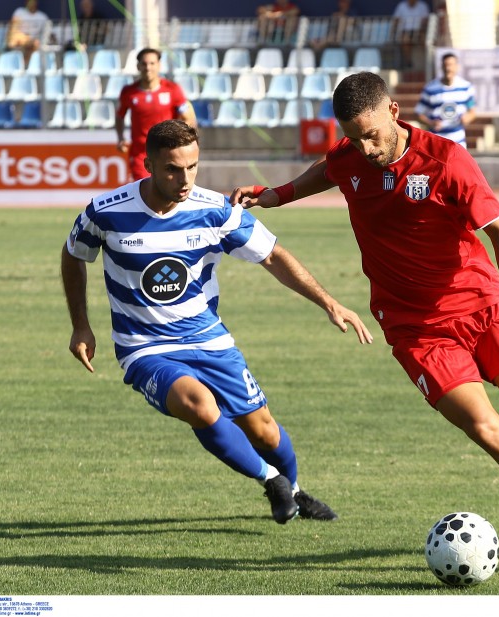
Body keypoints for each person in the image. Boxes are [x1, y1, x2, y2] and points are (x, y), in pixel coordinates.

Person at [230, 72, 499, 567]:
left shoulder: (446, 161)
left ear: (394, 112)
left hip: (480, 305)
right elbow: (328, 170)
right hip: (416, 329)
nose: (365, 147)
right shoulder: (350, 155)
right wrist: (274, 195)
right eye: (354, 137)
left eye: (372, 134)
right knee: (486, 429)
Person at [61, 119, 373, 524]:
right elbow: (74, 255)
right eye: (173, 168)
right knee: (200, 406)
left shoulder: (215, 211)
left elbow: (274, 256)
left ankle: (292, 490)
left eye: (192, 167)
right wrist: (80, 324)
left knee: (264, 430)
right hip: (144, 347)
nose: (184, 178)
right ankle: (271, 479)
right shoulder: (107, 212)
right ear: (149, 164)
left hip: (209, 339)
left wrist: (328, 301)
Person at [115, 48, 197, 182]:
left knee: (170, 191)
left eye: (152, 63)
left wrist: (184, 142)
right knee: (144, 190)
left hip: (168, 150)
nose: (148, 67)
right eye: (144, 63)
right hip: (141, 153)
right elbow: (119, 115)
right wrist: (120, 137)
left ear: (159, 65)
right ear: (138, 66)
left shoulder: (172, 89)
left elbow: (188, 117)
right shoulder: (128, 92)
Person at [415, 52, 476, 148]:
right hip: (437, 141)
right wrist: (431, 123)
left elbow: (472, 112)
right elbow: (418, 114)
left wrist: (466, 118)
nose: (448, 68)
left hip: (458, 141)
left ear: (457, 67)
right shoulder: (430, 89)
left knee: (459, 163)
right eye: (445, 65)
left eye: (451, 65)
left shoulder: (466, 87)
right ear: (441, 67)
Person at [6, 0, 50, 65]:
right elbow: (13, 29)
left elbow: (46, 35)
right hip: (20, 41)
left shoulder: (43, 17)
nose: (30, 3)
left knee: (34, 44)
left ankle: (27, 66)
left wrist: (34, 42)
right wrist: (24, 39)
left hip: (34, 43)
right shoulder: (19, 12)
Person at [392, 0, 431, 69]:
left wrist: (422, 29)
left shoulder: (422, 6)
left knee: (425, 41)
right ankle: (408, 63)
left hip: (419, 31)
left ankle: (429, 62)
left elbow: (426, 20)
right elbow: (396, 19)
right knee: (405, 41)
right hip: (405, 31)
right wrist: (393, 32)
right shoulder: (401, 6)